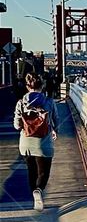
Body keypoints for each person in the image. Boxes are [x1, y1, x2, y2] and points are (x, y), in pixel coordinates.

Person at [13, 73, 59, 211]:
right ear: (42, 86)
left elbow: (17, 125)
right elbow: (56, 120)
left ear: (27, 86)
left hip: (25, 143)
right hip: (44, 143)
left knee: (31, 171)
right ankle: (39, 190)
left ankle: (35, 196)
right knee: (43, 172)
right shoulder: (49, 101)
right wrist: (54, 130)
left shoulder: (21, 103)